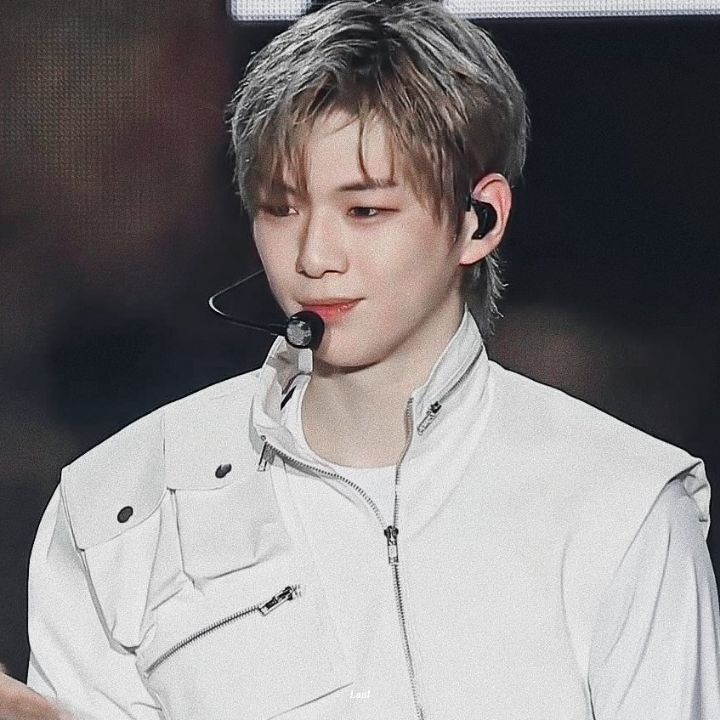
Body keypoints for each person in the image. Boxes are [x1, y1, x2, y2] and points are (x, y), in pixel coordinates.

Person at [13, 1, 720, 718]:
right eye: (281, 208)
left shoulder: (622, 509)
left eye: (365, 211)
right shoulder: (120, 509)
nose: (314, 257)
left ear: (479, 220)